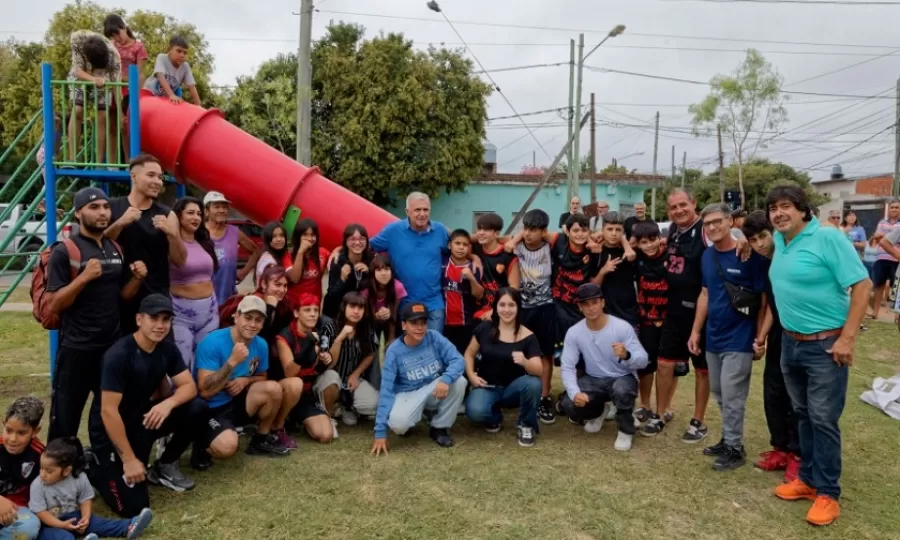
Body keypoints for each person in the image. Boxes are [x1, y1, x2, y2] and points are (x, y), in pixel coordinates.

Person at [766, 186, 871, 526]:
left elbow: (863, 285)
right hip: (790, 343)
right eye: (773, 209)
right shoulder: (781, 241)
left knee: (823, 419)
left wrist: (848, 339)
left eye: (785, 207)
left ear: (803, 211)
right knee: (803, 414)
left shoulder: (828, 238)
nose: (778, 213)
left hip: (825, 346)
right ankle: (808, 480)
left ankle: (828, 493)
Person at [87, 295, 206, 517]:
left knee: (197, 408)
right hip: (111, 431)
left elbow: (189, 387)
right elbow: (108, 411)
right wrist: (129, 459)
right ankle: (92, 467)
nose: (160, 326)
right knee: (135, 508)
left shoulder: (167, 350)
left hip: (144, 420)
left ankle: (165, 465)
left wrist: (168, 404)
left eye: (166, 319)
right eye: (154, 318)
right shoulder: (119, 355)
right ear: (139, 319)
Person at [45, 187, 147, 441]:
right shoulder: (65, 251)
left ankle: (100, 466)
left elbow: (122, 296)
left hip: (110, 347)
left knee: (107, 413)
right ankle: (58, 471)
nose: (102, 212)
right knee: (65, 418)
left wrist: (136, 279)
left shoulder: (115, 248)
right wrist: (84, 278)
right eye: (94, 207)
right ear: (79, 213)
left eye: (105, 207)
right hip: (77, 349)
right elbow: (54, 305)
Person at [688, 203, 766, 471]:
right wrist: (696, 331)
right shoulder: (707, 256)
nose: (712, 228)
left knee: (733, 394)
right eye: (707, 224)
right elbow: (705, 293)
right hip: (714, 335)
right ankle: (728, 438)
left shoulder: (747, 254)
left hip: (740, 337)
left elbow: (762, 299)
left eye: (717, 221)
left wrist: (760, 336)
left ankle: (735, 448)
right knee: (719, 391)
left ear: (731, 221)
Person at [642, 189, 711, 442]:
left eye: (683, 204)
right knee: (664, 363)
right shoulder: (671, 231)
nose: (679, 210)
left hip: (703, 313)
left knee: (703, 370)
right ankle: (660, 414)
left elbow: (730, 240)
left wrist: (744, 242)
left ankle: (699, 421)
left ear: (694, 203)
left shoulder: (705, 229)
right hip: (674, 311)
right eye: (673, 207)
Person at [195, 295, 293, 462]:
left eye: (258, 320)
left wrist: (245, 381)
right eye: (248, 318)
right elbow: (205, 392)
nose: (253, 324)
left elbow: (263, 376)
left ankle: (260, 440)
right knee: (227, 447)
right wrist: (232, 361)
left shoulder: (260, 344)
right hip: (211, 407)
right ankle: (202, 442)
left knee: (273, 388)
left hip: (237, 401)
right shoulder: (212, 342)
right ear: (236, 316)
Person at [743, 211, 801, 482]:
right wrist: (761, 338)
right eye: (753, 240)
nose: (760, 244)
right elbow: (768, 307)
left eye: (763, 237)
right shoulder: (764, 263)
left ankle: (798, 455)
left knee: (795, 397)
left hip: (800, 332)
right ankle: (780, 447)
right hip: (778, 332)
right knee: (773, 391)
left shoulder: (792, 254)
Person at [559, 284, 648, 452]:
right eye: (585, 304)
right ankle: (598, 412)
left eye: (594, 302)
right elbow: (567, 366)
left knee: (622, 389)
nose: (591, 308)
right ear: (579, 307)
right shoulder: (574, 332)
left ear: (603, 303)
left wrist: (627, 355)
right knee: (568, 403)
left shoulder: (621, 327)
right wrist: (575, 393)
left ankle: (625, 430)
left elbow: (643, 360)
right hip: (594, 379)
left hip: (622, 376)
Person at [371, 303, 467, 455]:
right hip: (408, 393)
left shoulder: (434, 337)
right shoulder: (394, 351)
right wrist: (380, 431)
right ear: (403, 325)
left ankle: (439, 427)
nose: (420, 327)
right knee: (398, 425)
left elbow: (458, 360)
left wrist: (446, 379)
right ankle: (416, 418)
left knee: (459, 381)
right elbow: (387, 390)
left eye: (423, 322)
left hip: (433, 387)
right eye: (414, 323)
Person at [106, 154, 186, 335]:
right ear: (134, 177)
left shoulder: (167, 214)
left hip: (156, 298)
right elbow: (97, 246)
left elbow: (180, 261)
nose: (158, 181)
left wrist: (172, 235)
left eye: (160, 177)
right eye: (151, 175)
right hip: (116, 299)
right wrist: (120, 223)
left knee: (160, 357)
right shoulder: (112, 207)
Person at [464, 288, 544, 447]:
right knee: (475, 412)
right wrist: (472, 375)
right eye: (502, 305)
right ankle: (494, 417)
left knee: (534, 383)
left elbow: (539, 370)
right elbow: (469, 354)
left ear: (518, 307)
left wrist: (525, 362)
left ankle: (526, 424)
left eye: (511, 305)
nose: (507, 310)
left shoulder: (528, 336)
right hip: (487, 386)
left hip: (513, 390)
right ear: (495, 307)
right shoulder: (485, 329)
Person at [29, 437, 153, 540]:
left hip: (72, 517)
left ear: (67, 470)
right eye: (41, 468)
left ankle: (128, 527)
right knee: (64, 537)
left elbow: (85, 499)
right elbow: (41, 513)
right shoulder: (38, 485)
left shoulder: (79, 478)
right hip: (48, 525)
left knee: (97, 523)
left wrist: (85, 518)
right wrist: (61, 525)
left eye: (49, 471)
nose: (42, 474)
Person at [367, 193, 451, 332]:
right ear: (407, 212)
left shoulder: (440, 230)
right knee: (407, 349)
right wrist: (339, 250)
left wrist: (475, 258)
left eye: (426, 210)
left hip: (433, 303)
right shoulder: (392, 231)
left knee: (434, 347)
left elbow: (462, 243)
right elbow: (366, 246)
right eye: (417, 210)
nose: (422, 214)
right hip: (404, 302)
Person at [511, 209, 557, 424]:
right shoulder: (516, 248)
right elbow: (503, 243)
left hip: (546, 308)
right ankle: (521, 393)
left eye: (533, 230)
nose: (527, 233)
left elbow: (560, 237)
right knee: (520, 352)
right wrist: (516, 238)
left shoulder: (551, 247)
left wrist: (548, 235)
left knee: (546, 353)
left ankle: (544, 397)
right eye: (525, 228)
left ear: (543, 232)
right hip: (523, 309)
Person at [276, 294, 338, 444]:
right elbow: (289, 372)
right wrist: (308, 344)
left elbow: (319, 368)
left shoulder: (318, 333)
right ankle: (277, 426)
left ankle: (301, 419)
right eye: (307, 310)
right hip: (286, 391)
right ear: (297, 313)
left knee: (325, 435)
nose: (312, 314)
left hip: (306, 393)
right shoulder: (284, 336)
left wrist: (325, 358)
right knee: (295, 383)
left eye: (316, 310)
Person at [169, 197, 220, 373]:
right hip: (181, 313)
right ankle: (181, 397)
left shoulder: (204, 242)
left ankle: (203, 398)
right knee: (182, 360)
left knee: (206, 359)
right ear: (178, 216)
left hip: (209, 311)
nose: (196, 218)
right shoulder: (169, 243)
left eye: (199, 214)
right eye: (190, 213)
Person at [319, 292, 380, 429]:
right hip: (330, 378)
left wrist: (356, 374)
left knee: (373, 405)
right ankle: (326, 410)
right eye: (352, 306)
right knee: (333, 377)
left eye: (361, 308)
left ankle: (347, 405)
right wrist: (340, 337)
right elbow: (329, 364)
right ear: (344, 307)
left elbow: (371, 354)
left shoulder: (366, 327)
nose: (356, 311)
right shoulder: (329, 327)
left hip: (351, 379)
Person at [632, 221, 669, 425]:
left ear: (659, 238)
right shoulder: (637, 258)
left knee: (668, 365)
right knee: (645, 365)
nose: (649, 246)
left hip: (668, 319)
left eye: (653, 240)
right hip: (645, 318)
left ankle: (667, 406)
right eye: (644, 242)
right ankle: (645, 405)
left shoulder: (671, 256)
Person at [66, 30, 121, 165]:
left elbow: (116, 86)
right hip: (81, 76)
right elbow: (78, 71)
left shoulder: (115, 57)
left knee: (102, 116)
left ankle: (99, 162)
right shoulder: (77, 39)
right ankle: (72, 159)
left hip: (104, 79)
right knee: (78, 110)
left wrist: (121, 113)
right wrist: (92, 78)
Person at [203, 191, 262, 304]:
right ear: (206, 211)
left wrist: (243, 272)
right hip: (203, 300)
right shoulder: (199, 233)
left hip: (228, 299)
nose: (222, 210)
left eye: (224, 207)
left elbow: (256, 251)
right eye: (217, 207)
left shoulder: (234, 232)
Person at [102, 14, 147, 162]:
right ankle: (112, 162)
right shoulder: (112, 46)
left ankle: (130, 160)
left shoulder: (138, 47)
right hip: (113, 88)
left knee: (125, 126)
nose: (117, 38)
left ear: (124, 27)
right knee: (112, 125)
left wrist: (135, 91)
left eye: (117, 33)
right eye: (112, 36)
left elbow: (140, 74)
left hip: (128, 89)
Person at [0, 397, 44, 540]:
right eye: (8, 430)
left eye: (21, 433)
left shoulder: (41, 455)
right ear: (3, 424)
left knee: (30, 527)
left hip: (16, 509)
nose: (12, 439)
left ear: (35, 431)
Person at [592, 212, 639, 327]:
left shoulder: (629, 252)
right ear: (602, 230)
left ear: (623, 232)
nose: (614, 233)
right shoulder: (596, 252)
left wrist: (624, 242)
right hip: (604, 315)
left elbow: (632, 255)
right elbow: (593, 286)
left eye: (618, 230)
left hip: (629, 314)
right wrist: (603, 271)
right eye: (609, 229)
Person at [442, 229, 484, 354]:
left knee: (464, 357)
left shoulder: (474, 267)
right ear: (449, 245)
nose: (461, 247)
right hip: (444, 322)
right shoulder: (442, 262)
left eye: (465, 245)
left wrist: (471, 278)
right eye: (457, 243)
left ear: (469, 247)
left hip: (466, 323)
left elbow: (479, 294)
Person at [471, 213, 520, 321]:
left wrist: (496, 311)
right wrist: (473, 256)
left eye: (486, 230)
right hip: (476, 311)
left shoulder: (507, 255)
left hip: (500, 313)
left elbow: (514, 288)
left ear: (496, 233)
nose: (481, 233)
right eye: (479, 229)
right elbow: (460, 237)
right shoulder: (475, 249)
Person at [324, 224, 372, 319]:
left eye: (362, 239)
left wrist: (369, 272)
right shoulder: (338, 262)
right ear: (346, 242)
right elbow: (332, 295)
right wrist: (342, 279)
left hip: (359, 312)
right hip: (336, 312)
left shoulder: (370, 260)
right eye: (352, 239)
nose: (357, 242)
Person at [285, 219, 330, 309]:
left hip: (313, 307)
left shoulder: (322, 253)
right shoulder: (288, 256)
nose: (309, 238)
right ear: (298, 236)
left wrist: (337, 251)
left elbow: (335, 258)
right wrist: (301, 252)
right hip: (293, 307)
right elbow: (295, 279)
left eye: (313, 235)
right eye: (305, 234)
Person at [363, 254, 406, 344]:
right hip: (369, 324)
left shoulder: (397, 287)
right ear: (373, 272)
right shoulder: (366, 289)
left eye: (387, 269)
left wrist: (391, 339)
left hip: (391, 323)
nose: (383, 273)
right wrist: (376, 316)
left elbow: (394, 315)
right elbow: (365, 317)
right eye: (378, 270)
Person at [144, 36, 200, 105]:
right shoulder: (162, 58)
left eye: (185, 53)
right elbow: (160, 75)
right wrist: (171, 95)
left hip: (165, 98)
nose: (182, 55)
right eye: (179, 51)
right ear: (169, 50)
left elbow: (192, 87)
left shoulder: (185, 66)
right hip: (149, 93)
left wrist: (198, 106)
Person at [870, 199, 900, 320]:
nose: (894, 209)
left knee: (895, 287)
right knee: (879, 285)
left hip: (896, 260)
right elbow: (877, 237)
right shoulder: (882, 222)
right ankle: (875, 312)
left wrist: (885, 235)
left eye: (897, 207)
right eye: (892, 207)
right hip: (881, 257)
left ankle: (894, 314)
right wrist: (893, 236)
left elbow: (882, 237)